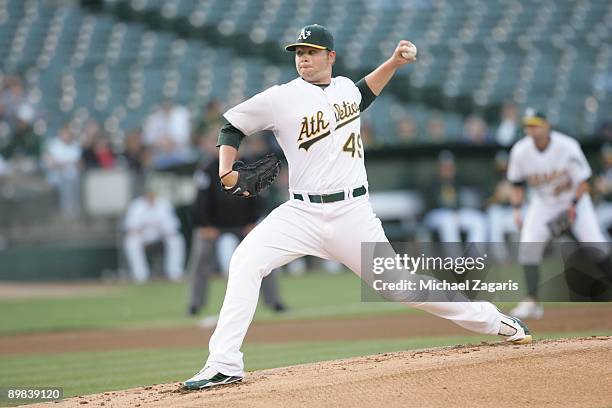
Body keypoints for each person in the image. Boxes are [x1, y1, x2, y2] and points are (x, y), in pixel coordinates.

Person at [183, 24, 531, 390]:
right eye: (299, 52)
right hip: (300, 213)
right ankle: (224, 363)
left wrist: (394, 62)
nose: (303, 57)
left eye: (312, 51)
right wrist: (226, 171)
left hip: (353, 215)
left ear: (330, 56)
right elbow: (231, 126)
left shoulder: (347, 88)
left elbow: (364, 93)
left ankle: (492, 320)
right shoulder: (280, 98)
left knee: (401, 288)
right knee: (245, 261)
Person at [507, 108, 610, 319]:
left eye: (536, 124)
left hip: (575, 201)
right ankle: (532, 303)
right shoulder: (520, 150)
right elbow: (516, 184)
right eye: (528, 125)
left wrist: (572, 205)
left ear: (547, 126)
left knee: (596, 246)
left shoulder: (567, 146)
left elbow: (583, 182)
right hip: (543, 204)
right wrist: (517, 209)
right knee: (528, 247)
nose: (532, 129)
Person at [187, 135, 286, 319]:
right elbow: (200, 200)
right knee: (201, 255)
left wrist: (253, 221)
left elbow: (259, 195)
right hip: (214, 225)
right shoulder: (208, 168)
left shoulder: (248, 164)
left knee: (264, 254)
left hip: (244, 224)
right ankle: (195, 303)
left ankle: (274, 301)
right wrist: (205, 225)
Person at [123, 188, 185, 283]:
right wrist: (142, 234)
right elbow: (130, 227)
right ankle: (140, 275)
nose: (151, 197)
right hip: (143, 237)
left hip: (161, 236)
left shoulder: (164, 204)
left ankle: (175, 273)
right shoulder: (136, 205)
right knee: (131, 241)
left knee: (176, 239)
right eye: (148, 195)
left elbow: (173, 226)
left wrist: (164, 231)